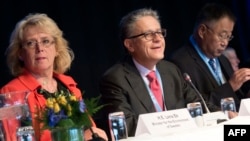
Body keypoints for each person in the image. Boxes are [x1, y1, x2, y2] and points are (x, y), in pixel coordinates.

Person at [99, 8, 220, 138]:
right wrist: (171, 125)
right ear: (130, 45)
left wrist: (224, 115)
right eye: (148, 34)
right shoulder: (115, 79)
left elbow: (198, 105)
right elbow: (126, 127)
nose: (158, 39)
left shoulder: (171, 70)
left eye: (159, 32)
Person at [0, 13, 108, 141]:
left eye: (45, 41)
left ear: (56, 48)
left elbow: (89, 128)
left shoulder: (69, 85)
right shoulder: (12, 92)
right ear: (20, 54)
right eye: (30, 43)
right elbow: (14, 138)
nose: (40, 48)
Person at [169, 3, 250, 112]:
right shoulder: (179, 62)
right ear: (202, 31)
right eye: (222, 35)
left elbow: (236, 99)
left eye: (228, 37)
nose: (225, 43)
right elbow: (193, 106)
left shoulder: (222, 59)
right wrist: (230, 87)